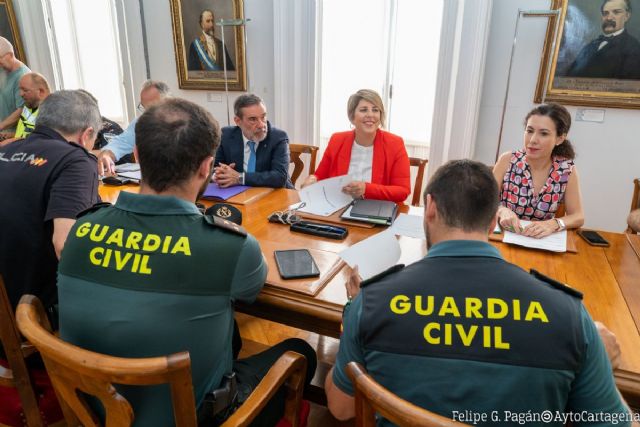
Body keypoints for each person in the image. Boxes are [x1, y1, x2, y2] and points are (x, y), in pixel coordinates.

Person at [57, 98, 316, 427]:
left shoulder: (81, 230)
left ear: (137, 156)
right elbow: (251, 289)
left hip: (94, 409)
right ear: (207, 167)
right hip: (193, 417)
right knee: (300, 350)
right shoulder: (230, 246)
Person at [326, 159, 637, 426]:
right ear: (492, 222)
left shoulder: (371, 302)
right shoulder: (568, 316)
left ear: (430, 208)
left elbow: (340, 408)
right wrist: (597, 364)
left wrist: (353, 315)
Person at [0, 90, 101, 313]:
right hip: (31, 312)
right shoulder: (75, 161)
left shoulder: (7, 149)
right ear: (87, 134)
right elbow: (66, 246)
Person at [493, 103, 584, 238]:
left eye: (544, 133)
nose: (533, 140)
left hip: (540, 241)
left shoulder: (566, 170)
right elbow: (484, 202)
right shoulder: (507, 160)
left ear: (559, 139)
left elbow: (578, 216)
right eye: (529, 131)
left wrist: (553, 224)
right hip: (503, 237)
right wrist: (501, 210)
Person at [302, 89, 410, 203]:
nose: (370, 115)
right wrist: (312, 180)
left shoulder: (395, 143)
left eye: (375, 110)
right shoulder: (337, 140)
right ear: (352, 116)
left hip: (375, 208)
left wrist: (366, 189)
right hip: (339, 206)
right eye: (363, 110)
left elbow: (403, 190)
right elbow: (320, 176)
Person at [214, 93, 293, 188]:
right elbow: (214, 167)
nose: (261, 125)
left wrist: (240, 178)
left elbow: (279, 177)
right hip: (238, 193)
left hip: (275, 193)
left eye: (263, 117)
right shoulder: (226, 135)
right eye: (253, 119)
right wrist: (221, 174)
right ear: (238, 121)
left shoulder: (278, 137)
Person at [96, 79, 169, 175]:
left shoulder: (184, 123)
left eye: (151, 108)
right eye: (143, 107)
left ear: (167, 102)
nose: (147, 113)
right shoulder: (140, 122)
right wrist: (107, 153)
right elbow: (122, 141)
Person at [566, 0, 640, 79]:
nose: (609, 18)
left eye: (616, 12)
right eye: (605, 13)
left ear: (627, 16)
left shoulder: (633, 47)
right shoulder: (591, 45)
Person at [1, 72, 51, 145]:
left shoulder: (50, 114)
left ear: (41, 91)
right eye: (20, 90)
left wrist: (11, 142)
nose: (21, 94)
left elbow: (41, 142)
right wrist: (11, 135)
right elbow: (28, 133)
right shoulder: (29, 106)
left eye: (25, 90)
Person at [0, 36, 30, 137]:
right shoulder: (3, 68)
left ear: (10, 55)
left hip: (13, 135)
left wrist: (1, 126)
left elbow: (22, 110)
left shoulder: (23, 77)